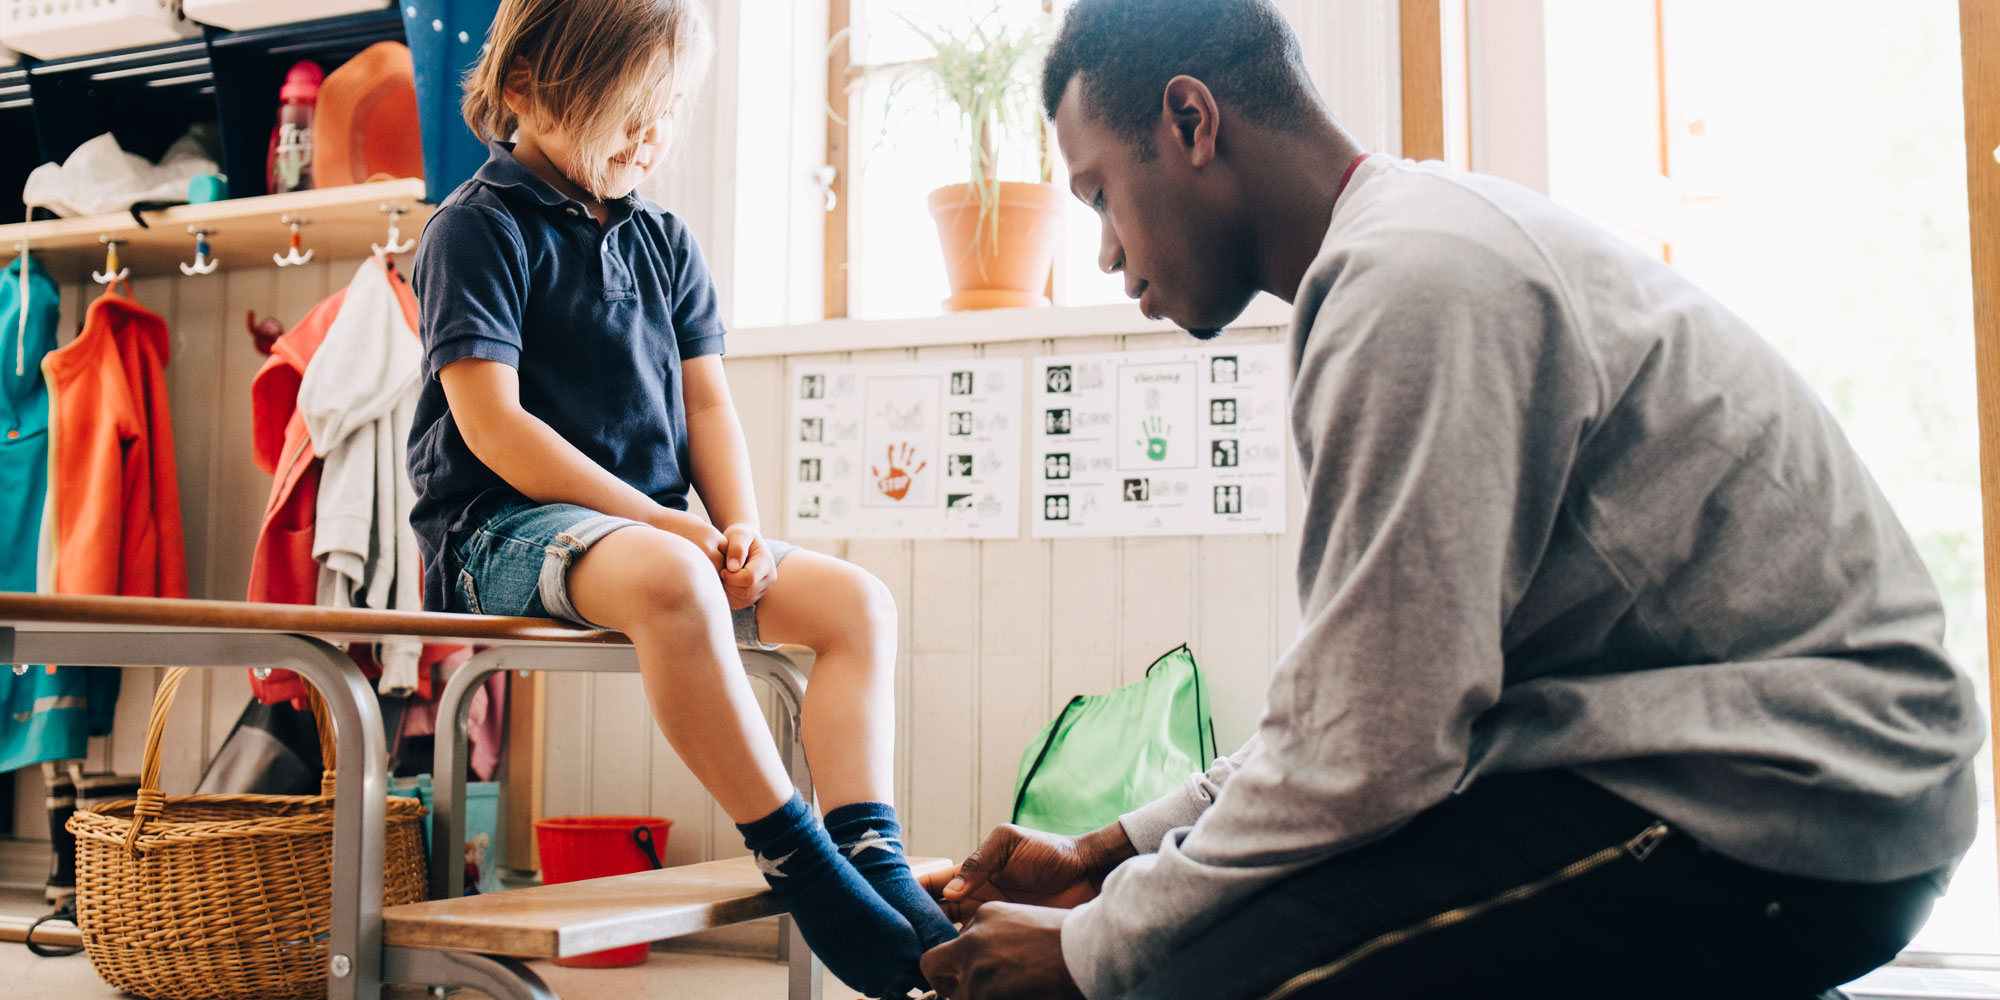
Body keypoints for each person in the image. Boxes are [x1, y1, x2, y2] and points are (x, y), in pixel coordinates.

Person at [917, 1, 1986, 998]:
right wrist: (1112, 850)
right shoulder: (1406, 252)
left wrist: (1092, 950)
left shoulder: (1411, 287)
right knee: (1192, 923)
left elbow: (1366, 755)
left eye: (1100, 194)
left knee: (1187, 972)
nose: (1104, 252)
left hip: (1812, 798)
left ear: (1189, 121)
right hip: (1723, 767)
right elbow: (1354, 707)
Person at [404, 2, 953, 995]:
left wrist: (735, 525)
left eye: (669, 113)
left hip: (650, 534)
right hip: (503, 528)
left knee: (856, 602)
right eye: (628, 113)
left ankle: (870, 849)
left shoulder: (663, 239)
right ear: (525, 88)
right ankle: (800, 862)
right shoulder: (472, 228)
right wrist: (667, 525)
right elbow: (494, 428)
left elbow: (707, 403)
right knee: (673, 574)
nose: (651, 138)